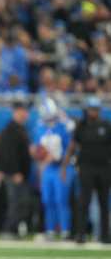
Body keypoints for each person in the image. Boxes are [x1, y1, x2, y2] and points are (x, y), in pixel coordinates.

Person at [62, 96, 111, 244]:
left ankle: (104, 235)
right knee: (84, 202)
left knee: (104, 203)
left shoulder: (106, 125)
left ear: (99, 111)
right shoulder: (81, 126)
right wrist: (64, 166)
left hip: (104, 168)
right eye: (91, 109)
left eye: (96, 109)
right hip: (86, 168)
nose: (93, 112)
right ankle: (81, 234)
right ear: (87, 110)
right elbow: (72, 146)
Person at [33, 98, 73, 240]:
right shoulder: (39, 128)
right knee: (47, 200)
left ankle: (65, 230)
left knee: (61, 200)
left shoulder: (63, 127)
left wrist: (59, 161)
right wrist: (40, 162)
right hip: (47, 169)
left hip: (60, 168)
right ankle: (50, 230)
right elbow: (37, 149)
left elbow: (69, 149)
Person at [0, 100, 32, 237]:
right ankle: (8, 229)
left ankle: (14, 229)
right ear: (16, 112)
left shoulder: (21, 129)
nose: (24, 114)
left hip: (21, 173)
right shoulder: (11, 129)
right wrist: (15, 171)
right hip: (14, 173)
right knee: (16, 202)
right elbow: (7, 153)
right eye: (22, 111)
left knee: (21, 202)